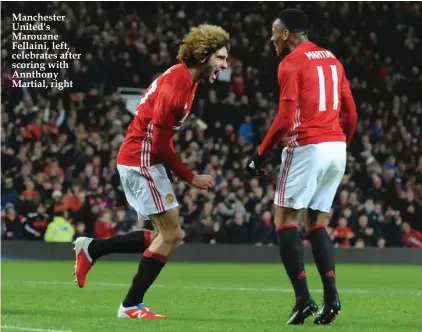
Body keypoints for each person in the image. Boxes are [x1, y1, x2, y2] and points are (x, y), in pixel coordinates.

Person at [73, 24, 230, 320]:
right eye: (220, 58)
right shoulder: (176, 86)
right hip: (142, 160)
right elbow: (158, 147)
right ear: (204, 55)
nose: (224, 65)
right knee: (171, 235)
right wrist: (190, 177)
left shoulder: (186, 78)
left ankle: (93, 249)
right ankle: (131, 304)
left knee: (165, 234)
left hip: (141, 159)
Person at [246, 9, 358, 325]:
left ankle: (302, 298)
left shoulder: (291, 63)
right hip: (336, 147)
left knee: (285, 218)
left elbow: (284, 120)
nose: (270, 38)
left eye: (273, 32)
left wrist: (259, 156)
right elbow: (351, 112)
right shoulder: (333, 60)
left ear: (285, 33)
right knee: (317, 221)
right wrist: (340, 143)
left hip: (307, 145)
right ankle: (332, 297)